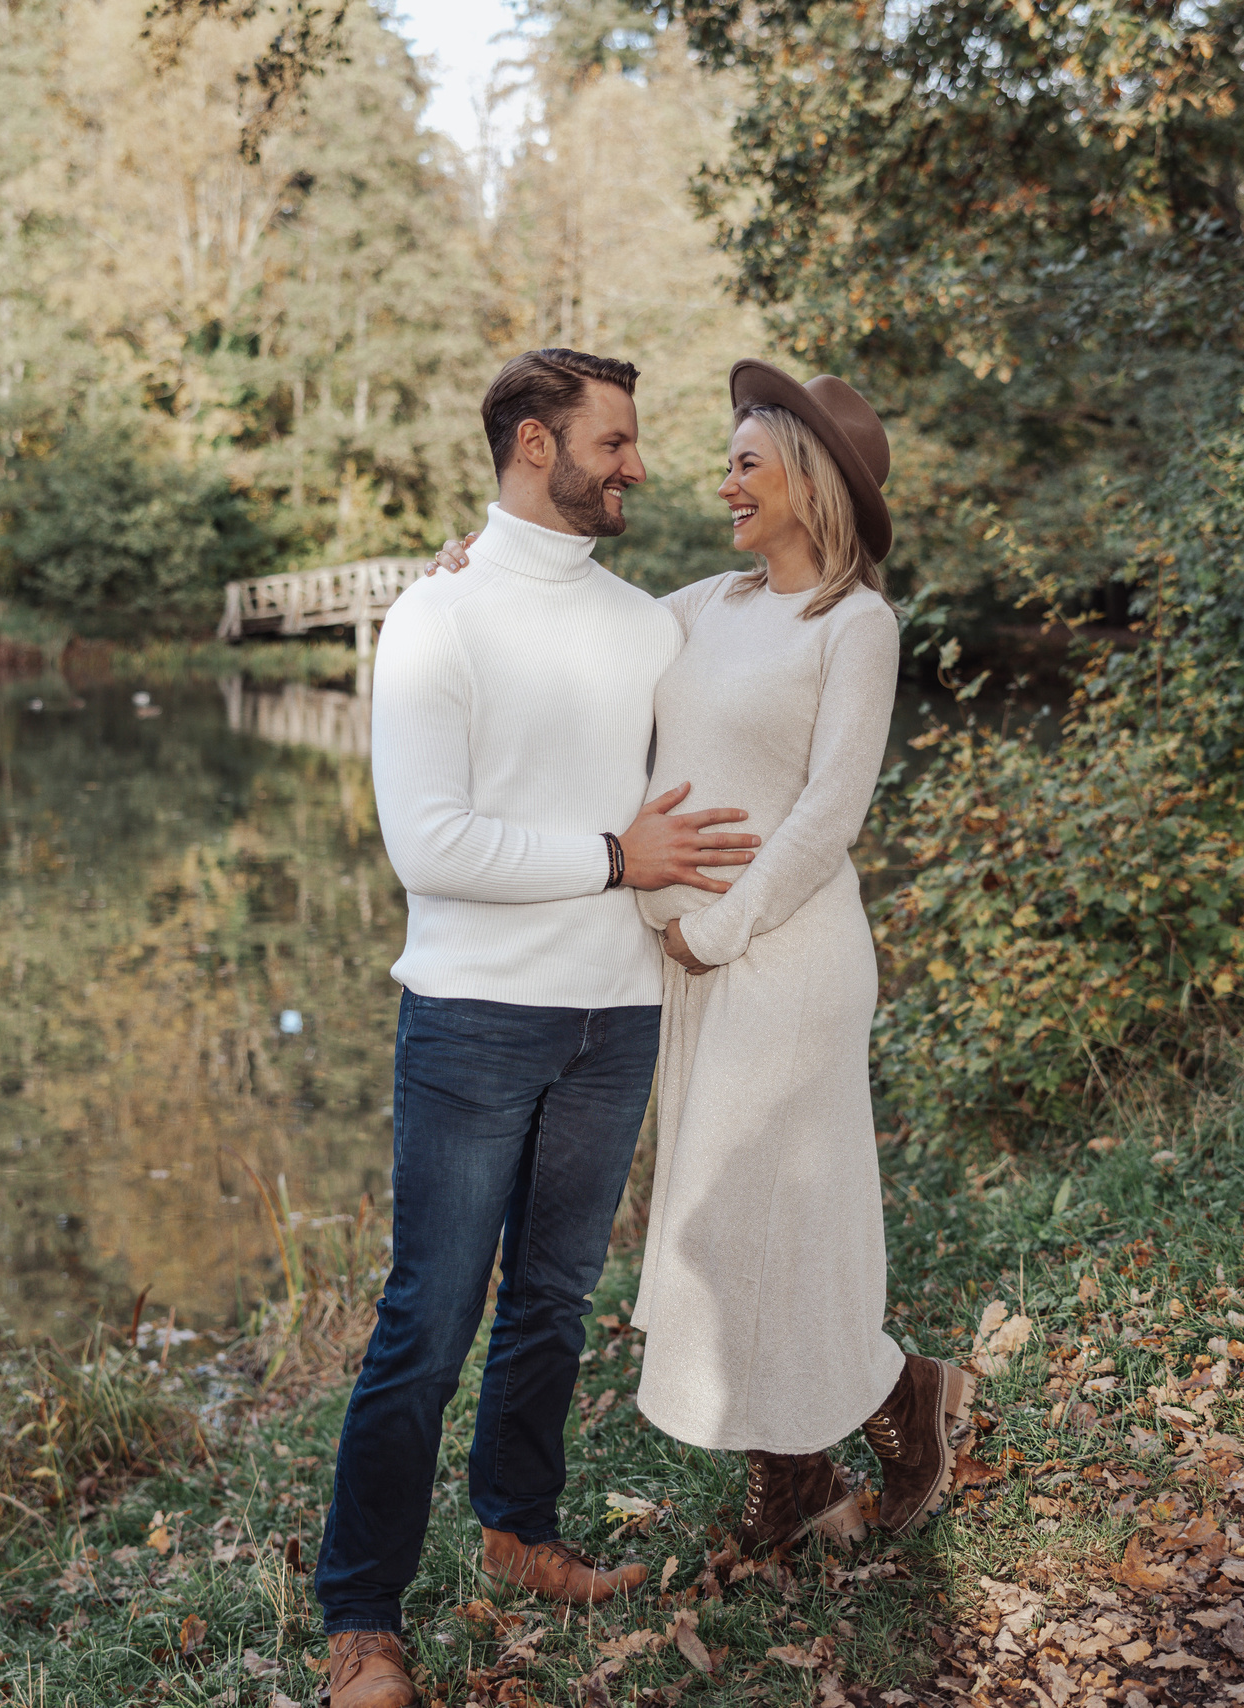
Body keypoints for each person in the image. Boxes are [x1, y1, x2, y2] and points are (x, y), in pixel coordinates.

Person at [426, 362, 976, 1560]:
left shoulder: (855, 624)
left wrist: (714, 932)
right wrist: (469, 573)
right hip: (691, 964)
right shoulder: (696, 608)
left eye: (743, 462)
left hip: (784, 960)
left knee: (766, 1223)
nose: (719, 480)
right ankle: (799, 1475)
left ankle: (897, 1403)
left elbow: (828, 815)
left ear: (807, 479)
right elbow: (570, 618)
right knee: (724, 1230)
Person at [316, 348, 764, 1708]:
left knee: (558, 1302)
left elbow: (751, 670)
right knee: (430, 1320)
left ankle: (518, 1529)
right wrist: (612, 859)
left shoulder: (645, 623)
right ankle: (361, 1619)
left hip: (615, 1015)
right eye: (614, 441)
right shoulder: (438, 618)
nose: (638, 463)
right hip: (474, 1018)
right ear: (532, 445)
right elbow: (427, 843)